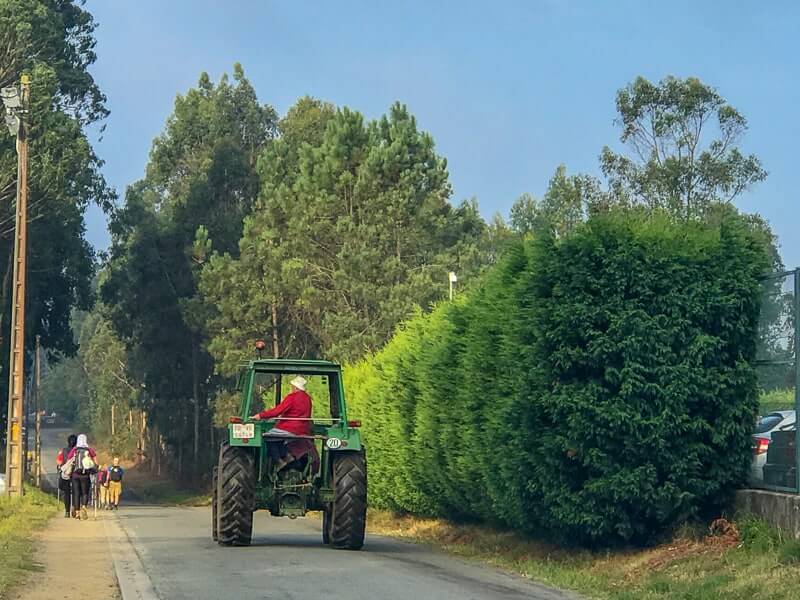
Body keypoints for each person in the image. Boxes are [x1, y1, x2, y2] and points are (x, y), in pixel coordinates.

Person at [250, 376, 316, 470]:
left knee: (268, 437)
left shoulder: (292, 397)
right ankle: (288, 456)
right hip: (303, 429)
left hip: (289, 428)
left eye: (292, 386)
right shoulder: (308, 399)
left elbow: (277, 411)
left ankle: (279, 460)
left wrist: (260, 415)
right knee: (278, 438)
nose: (291, 388)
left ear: (295, 387)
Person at [68, 434, 98, 520]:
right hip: (85, 475)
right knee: (85, 492)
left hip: (75, 475)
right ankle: (84, 507)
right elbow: (96, 462)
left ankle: (77, 513)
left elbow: (69, 460)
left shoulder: (75, 449)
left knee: (76, 493)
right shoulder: (89, 450)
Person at [56, 434, 77, 518]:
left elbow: (59, 462)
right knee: (76, 492)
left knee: (66, 493)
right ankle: (75, 508)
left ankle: (67, 512)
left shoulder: (63, 450)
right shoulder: (78, 451)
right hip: (76, 473)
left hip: (65, 474)